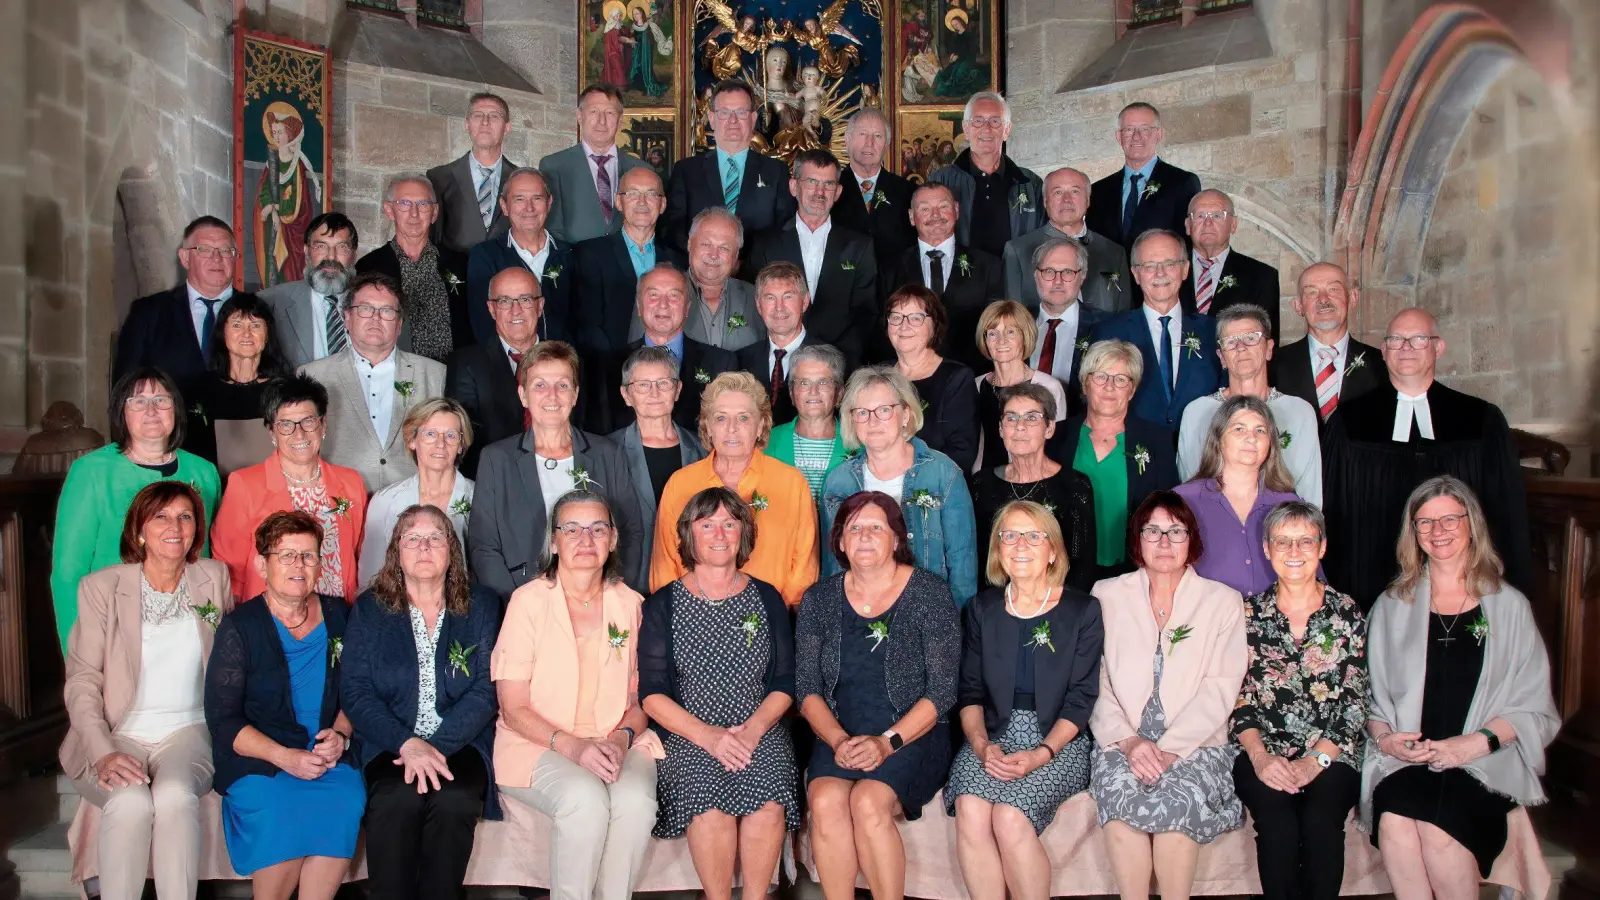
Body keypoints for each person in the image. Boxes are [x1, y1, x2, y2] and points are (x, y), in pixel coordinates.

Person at [1362, 476, 1560, 894]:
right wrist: (1388, 742)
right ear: (1412, 533)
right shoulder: (1392, 606)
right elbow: (1372, 702)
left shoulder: (1508, 606)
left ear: (1473, 524)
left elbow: (1534, 707)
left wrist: (1476, 743)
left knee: (1440, 832)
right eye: (1425, 522)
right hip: (1409, 760)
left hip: (1482, 758)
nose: (1439, 531)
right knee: (1395, 823)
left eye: (1450, 518)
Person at [60, 482, 233, 900]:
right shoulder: (101, 588)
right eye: (161, 516)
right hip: (120, 732)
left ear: (196, 528)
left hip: (189, 730)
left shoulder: (212, 576)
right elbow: (83, 681)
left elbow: (230, 663)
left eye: (185, 516)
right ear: (139, 529)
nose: (175, 526)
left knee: (175, 797)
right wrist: (103, 752)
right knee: (130, 802)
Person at [490, 490, 662, 900]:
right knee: (584, 800)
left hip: (618, 739)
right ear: (553, 541)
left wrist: (620, 741)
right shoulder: (528, 602)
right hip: (537, 743)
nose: (586, 540)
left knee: (636, 803)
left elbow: (642, 700)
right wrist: (575, 749)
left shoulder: (632, 604)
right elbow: (512, 707)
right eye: (572, 529)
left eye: (597, 529)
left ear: (613, 539)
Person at [796, 492, 962, 900]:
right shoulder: (819, 598)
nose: (865, 537)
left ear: (896, 538)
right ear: (839, 541)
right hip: (839, 732)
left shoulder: (929, 593)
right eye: (854, 528)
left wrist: (887, 744)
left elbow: (942, 691)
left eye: (876, 528)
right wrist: (837, 740)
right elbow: (806, 689)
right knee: (825, 800)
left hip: (911, 733)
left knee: (869, 802)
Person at [639, 488, 799, 899]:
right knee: (709, 810)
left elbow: (784, 681)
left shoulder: (766, 597)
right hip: (691, 733)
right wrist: (709, 737)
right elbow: (653, 693)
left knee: (767, 803)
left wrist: (752, 731)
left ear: (743, 533)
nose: (719, 533)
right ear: (688, 535)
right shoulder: (663, 604)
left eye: (730, 523)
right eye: (707, 524)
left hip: (758, 726)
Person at [1089, 492, 1247, 900]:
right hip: (1122, 741)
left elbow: (1222, 684)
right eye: (1152, 531)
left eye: (1175, 532)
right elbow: (1095, 678)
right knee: (1121, 806)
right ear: (1137, 540)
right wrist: (1128, 740)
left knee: (1177, 807)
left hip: (1195, 744)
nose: (1163, 542)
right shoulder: (1106, 595)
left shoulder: (1222, 602)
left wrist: (1171, 749)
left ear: (1191, 540)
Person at [342, 504, 503, 900]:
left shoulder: (481, 605)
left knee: (455, 798)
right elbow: (356, 692)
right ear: (397, 550)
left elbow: (486, 689)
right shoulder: (370, 609)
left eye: (436, 537)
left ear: (452, 549)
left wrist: (436, 747)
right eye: (412, 538)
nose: (424, 546)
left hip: (461, 741)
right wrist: (408, 744)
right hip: (391, 741)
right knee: (396, 797)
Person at [1322, 307, 1533, 608]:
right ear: (1384, 350)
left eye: (1418, 339)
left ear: (1438, 347)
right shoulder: (1348, 421)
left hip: (1463, 587)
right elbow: (1332, 508)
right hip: (1369, 580)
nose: (1406, 348)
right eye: (1396, 340)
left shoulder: (1479, 419)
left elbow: (1504, 507)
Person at [203, 511, 364, 898]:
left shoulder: (341, 615)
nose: (300, 565)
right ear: (263, 563)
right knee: (281, 812)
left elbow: (358, 689)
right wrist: (284, 757)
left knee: (345, 795)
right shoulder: (240, 627)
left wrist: (342, 732)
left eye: (309, 556)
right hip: (263, 763)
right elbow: (224, 721)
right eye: (287, 555)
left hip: (329, 761)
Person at [949, 501, 1104, 900]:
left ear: (1053, 550)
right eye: (1010, 535)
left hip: (1057, 739)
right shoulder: (982, 608)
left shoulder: (1082, 609)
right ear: (998, 549)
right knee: (970, 807)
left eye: (1034, 536)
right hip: (992, 733)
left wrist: (1041, 753)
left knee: (1010, 816)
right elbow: (969, 691)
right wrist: (982, 746)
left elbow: (1081, 697)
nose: (1020, 545)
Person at [1232, 500, 1367, 900]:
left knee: (1322, 821)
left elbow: (1355, 702)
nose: (1294, 553)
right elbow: (1238, 699)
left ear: (1322, 547)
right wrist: (1260, 757)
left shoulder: (1346, 613)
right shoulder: (1247, 614)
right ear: (1267, 549)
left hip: (1332, 755)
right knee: (1278, 824)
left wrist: (1315, 761)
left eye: (1305, 541)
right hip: (1263, 750)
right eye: (1283, 542)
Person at [51, 368, 222, 652]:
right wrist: (80, 657)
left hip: (188, 627)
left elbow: (209, 558)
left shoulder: (203, 472)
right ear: (122, 412)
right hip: (116, 628)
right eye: (138, 401)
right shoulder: (91, 472)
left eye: (161, 400)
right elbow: (68, 573)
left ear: (176, 409)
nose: (151, 410)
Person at [468, 340, 645, 598]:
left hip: (598, 602)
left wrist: (610, 594)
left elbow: (630, 533)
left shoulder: (607, 454)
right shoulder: (496, 459)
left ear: (574, 395)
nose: (552, 395)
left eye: (562, 385)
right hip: (521, 605)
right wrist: (520, 604)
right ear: (523, 395)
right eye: (540, 385)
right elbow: (484, 547)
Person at [651, 372, 818, 607]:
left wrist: (777, 615)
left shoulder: (791, 483)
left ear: (761, 425)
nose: (731, 428)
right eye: (720, 418)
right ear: (707, 426)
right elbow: (664, 564)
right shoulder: (680, 484)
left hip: (770, 620)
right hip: (692, 622)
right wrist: (683, 615)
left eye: (743, 418)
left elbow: (804, 566)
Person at [820, 366, 977, 605]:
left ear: (905, 414)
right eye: (862, 412)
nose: (872, 421)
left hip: (928, 616)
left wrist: (951, 630)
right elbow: (833, 565)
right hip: (860, 617)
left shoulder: (943, 474)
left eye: (884, 410)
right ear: (852, 420)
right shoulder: (838, 481)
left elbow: (962, 565)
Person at [210, 374, 368, 604]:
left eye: (308, 421)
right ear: (272, 432)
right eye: (286, 424)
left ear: (323, 425)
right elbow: (228, 565)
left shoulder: (351, 483)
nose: (299, 433)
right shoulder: (244, 484)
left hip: (338, 615)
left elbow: (358, 554)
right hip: (270, 616)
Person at [300, 271, 447, 492]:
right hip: (340, 498)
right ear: (347, 318)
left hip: (413, 500)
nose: (376, 318)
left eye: (386, 310)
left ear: (399, 325)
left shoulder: (434, 373)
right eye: (366, 309)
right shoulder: (313, 375)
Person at [1047, 340, 1178, 580]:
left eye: (1121, 379)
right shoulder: (1056, 436)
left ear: (1132, 390)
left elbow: (1169, 509)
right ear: (1085, 384)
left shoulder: (1157, 440)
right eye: (1100, 377)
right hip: (1065, 571)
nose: (1110, 387)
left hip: (1133, 573)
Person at [1177, 304, 1322, 505]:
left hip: (1284, 528)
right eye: (1230, 342)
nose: (1241, 347)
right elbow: (1189, 488)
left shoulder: (1299, 411)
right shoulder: (1197, 412)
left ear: (1269, 349)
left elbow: (1310, 491)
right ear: (1222, 357)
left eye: (1251, 338)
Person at [747, 150, 879, 368]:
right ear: (793, 186)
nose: (820, 192)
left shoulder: (859, 246)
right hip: (778, 361)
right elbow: (757, 305)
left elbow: (866, 314)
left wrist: (836, 361)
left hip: (838, 364)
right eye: (811, 181)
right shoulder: (765, 244)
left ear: (837, 192)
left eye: (828, 184)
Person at [1089, 229, 1221, 429]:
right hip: (1133, 453)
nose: (1160, 273)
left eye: (1169, 264)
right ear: (1136, 274)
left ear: (1185, 269)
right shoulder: (1107, 333)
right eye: (1149, 265)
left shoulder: (1213, 331)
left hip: (1202, 453)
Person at [971, 384, 1096, 593]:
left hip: (1055, 608)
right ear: (1001, 429)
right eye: (1011, 418)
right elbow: (978, 560)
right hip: (995, 607)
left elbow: (1082, 569)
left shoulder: (1074, 485)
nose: (1020, 426)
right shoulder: (981, 484)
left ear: (1049, 428)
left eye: (1031, 417)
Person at [1175, 395, 1302, 597]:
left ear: (1271, 444)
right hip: (1206, 622)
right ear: (1218, 440)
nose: (1251, 438)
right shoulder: (1182, 500)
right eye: (1239, 429)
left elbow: (1310, 578)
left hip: (1275, 624)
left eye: (1260, 430)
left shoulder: (1289, 504)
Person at [597, 264, 738, 434]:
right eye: (654, 295)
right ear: (639, 306)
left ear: (687, 307)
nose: (663, 305)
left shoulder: (722, 363)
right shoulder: (608, 366)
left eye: (673, 295)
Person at [569, 166, 688, 361]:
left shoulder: (678, 261)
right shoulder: (589, 254)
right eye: (633, 194)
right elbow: (587, 325)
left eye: (651, 194)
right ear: (618, 202)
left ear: (663, 204)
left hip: (668, 369)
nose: (642, 202)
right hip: (610, 369)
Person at [113, 216, 242, 393]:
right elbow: (125, 386)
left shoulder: (257, 310)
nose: (217, 258)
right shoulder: (148, 312)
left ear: (235, 257)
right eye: (204, 250)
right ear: (185, 258)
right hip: (169, 419)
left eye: (225, 250)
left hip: (240, 420)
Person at [608, 346, 707, 577]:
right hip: (628, 580)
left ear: (678, 389)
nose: (654, 393)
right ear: (626, 395)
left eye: (663, 383)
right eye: (643, 385)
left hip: (690, 578)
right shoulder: (606, 452)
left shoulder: (703, 449)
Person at [665, 79, 796, 253]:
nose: (733, 120)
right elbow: (672, 229)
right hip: (701, 274)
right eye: (724, 113)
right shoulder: (686, 171)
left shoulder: (776, 171)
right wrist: (705, 256)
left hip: (757, 274)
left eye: (741, 112)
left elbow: (785, 229)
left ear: (753, 118)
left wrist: (746, 260)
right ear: (711, 119)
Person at [881, 184, 1001, 372]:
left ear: (957, 210)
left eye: (943, 206)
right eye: (925, 209)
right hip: (906, 379)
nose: (936, 215)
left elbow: (996, 324)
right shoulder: (889, 268)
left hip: (972, 374)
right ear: (912, 217)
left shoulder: (989, 265)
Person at [357, 398, 476, 587]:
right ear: (412, 440)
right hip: (398, 609)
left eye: (451, 435)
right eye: (430, 434)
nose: (441, 444)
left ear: (461, 444)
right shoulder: (384, 501)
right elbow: (370, 579)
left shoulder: (481, 497)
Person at [355, 173, 472, 363]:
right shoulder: (369, 267)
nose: (414, 213)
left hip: (453, 376)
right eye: (404, 204)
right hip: (397, 375)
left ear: (434, 213)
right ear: (389, 210)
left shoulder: (459, 264)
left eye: (423, 204)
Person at [444, 267, 542, 478]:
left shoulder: (571, 360)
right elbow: (463, 439)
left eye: (525, 299)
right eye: (504, 301)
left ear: (540, 306)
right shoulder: (466, 364)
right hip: (495, 482)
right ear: (491, 309)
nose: (515, 310)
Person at [928, 92, 1045, 259]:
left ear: (1007, 130)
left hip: (1014, 282)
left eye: (995, 121)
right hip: (961, 282)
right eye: (978, 121)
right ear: (966, 129)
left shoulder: (1030, 184)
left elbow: (1043, 243)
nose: (986, 129)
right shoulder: (940, 181)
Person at [183, 294, 294, 471]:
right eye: (237, 325)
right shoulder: (198, 390)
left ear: (267, 335)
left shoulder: (287, 391)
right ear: (223, 333)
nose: (247, 333)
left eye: (255, 325)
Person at [466, 167, 574, 345]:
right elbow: (482, 323)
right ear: (504, 206)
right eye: (519, 199)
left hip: (561, 363)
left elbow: (582, 320)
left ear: (549, 203)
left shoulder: (570, 255)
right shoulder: (485, 256)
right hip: (508, 365)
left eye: (537, 198)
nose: (529, 208)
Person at [1271, 262, 1387, 426]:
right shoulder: (1273, 365)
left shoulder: (1382, 364)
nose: (1323, 299)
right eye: (1311, 292)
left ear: (1352, 298)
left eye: (1333, 289)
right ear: (1299, 307)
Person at [1003, 167, 1131, 315]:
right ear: (1045, 201)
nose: (1067, 200)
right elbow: (1013, 319)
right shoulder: (1017, 251)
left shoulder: (1114, 253)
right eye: (1058, 192)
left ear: (1088, 200)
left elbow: (1125, 316)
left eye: (1075, 191)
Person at [882, 285, 980, 473]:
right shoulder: (878, 375)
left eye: (916, 318)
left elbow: (962, 454)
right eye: (895, 317)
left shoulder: (957, 378)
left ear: (935, 325)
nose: (904, 326)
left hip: (933, 489)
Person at [1086, 102, 1203, 254]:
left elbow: (1191, 241)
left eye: (1145, 129)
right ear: (1119, 137)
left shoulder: (1182, 182)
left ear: (1159, 135)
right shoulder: (1098, 191)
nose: (1136, 137)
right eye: (1129, 129)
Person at [540, 84, 649, 245]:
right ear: (579, 116)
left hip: (629, 267)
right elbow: (552, 229)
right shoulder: (554, 166)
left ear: (620, 121)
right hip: (575, 264)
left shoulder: (642, 170)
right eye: (593, 112)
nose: (601, 121)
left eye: (609, 113)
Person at [973, 300, 1069, 470]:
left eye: (1010, 332)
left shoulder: (1049, 387)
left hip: (1035, 481)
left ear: (1024, 337)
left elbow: (1058, 447)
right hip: (985, 481)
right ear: (985, 339)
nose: (1001, 341)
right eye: (993, 333)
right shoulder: (976, 385)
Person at [260, 212, 362, 370]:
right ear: (307, 252)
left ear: (354, 255)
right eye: (321, 246)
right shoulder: (270, 303)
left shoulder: (376, 305)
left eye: (342, 247)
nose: (331, 257)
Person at [1023, 239, 1112, 417]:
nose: (1058, 281)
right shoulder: (1016, 323)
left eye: (1067, 272)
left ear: (1082, 275)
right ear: (1036, 275)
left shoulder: (1106, 328)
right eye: (1049, 271)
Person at [1180, 190, 1283, 342]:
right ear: (1188, 225)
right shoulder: (1167, 271)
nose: (1208, 223)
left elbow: (1265, 345)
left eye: (1217, 216)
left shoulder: (1262, 277)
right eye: (1200, 216)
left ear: (1233, 225)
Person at [427, 92, 519, 255]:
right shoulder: (439, 178)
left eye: (494, 116)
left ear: (507, 127)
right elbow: (433, 238)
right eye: (478, 116)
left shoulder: (521, 180)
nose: (485, 122)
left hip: (507, 274)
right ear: (467, 125)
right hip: (456, 275)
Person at [830, 108, 917, 275]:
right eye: (862, 134)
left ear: (887, 144)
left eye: (878, 136)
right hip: (844, 288)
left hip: (895, 290)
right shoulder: (830, 189)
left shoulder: (908, 191)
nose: (869, 143)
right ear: (847, 140)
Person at [734, 262, 820, 425]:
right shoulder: (739, 361)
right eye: (770, 298)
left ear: (805, 301)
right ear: (759, 305)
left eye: (788, 296)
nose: (779, 308)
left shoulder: (830, 360)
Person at [764, 344, 849, 501]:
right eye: (804, 383)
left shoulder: (858, 443)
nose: (813, 391)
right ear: (792, 393)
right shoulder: (767, 441)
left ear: (839, 393)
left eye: (823, 382)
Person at [679, 207, 762, 352]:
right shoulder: (659, 294)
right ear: (690, 245)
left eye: (724, 248)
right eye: (706, 244)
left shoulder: (756, 297)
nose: (713, 255)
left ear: (735, 256)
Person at [254, 109, 321, 288]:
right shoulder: (272, 161)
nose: (276, 136)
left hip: (292, 224)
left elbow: (298, 198)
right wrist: (269, 207)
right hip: (273, 223)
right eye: (274, 132)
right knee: (272, 259)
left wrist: (278, 210)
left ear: (290, 134)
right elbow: (265, 188)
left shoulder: (296, 164)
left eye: (280, 133)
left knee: (290, 264)